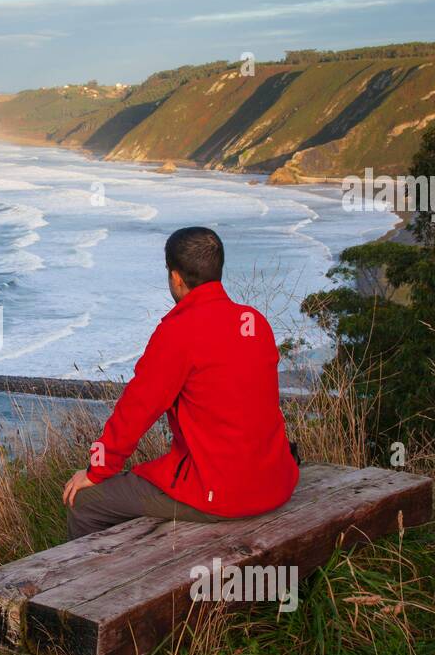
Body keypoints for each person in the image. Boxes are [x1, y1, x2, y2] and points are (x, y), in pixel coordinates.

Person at [63, 226, 299, 539]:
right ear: (217, 270)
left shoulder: (179, 331)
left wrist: (96, 470)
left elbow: (136, 410)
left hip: (221, 494)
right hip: (276, 481)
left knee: (84, 502)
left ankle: (91, 586)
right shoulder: (254, 322)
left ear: (175, 277)